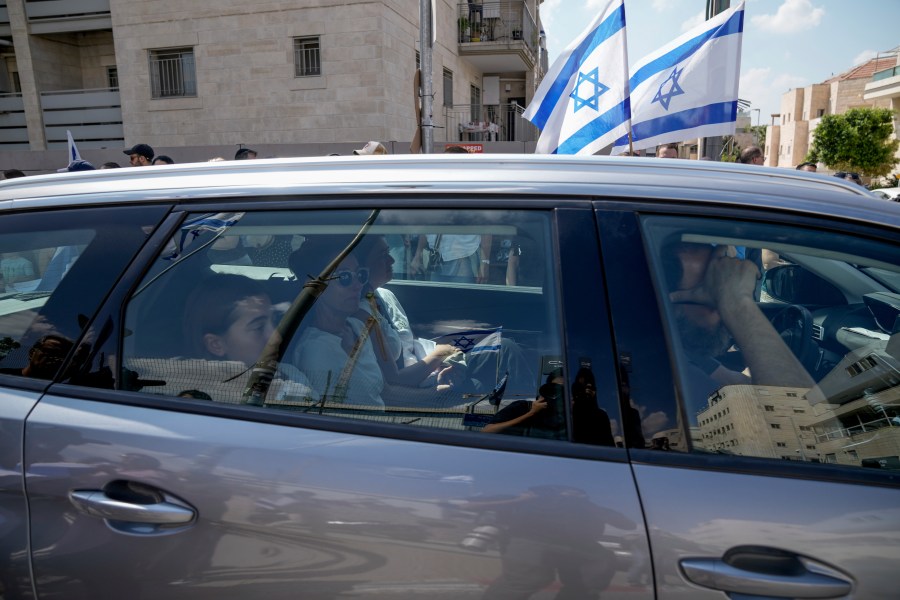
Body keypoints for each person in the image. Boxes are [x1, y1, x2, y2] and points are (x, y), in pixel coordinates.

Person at [663, 241, 814, 413]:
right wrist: (738, 304)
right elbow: (805, 423)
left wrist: (767, 358)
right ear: (670, 300)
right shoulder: (676, 376)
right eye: (713, 291)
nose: (720, 307)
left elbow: (734, 379)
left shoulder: (681, 349)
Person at [288, 237, 386, 408]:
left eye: (360, 275)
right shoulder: (315, 351)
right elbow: (332, 417)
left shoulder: (356, 326)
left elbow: (379, 395)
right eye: (345, 277)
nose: (358, 285)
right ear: (314, 287)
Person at [183, 273, 279, 367]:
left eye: (275, 321)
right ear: (216, 345)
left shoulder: (287, 371)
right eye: (259, 327)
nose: (277, 337)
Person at [483, 379, 565, 439]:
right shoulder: (522, 406)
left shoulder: (565, 414)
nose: (556, 393)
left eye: (561, 391)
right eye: (553, 389)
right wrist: (531, 413)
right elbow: (487, 431)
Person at [0, 334, 73, 380]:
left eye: (61, 356)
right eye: (49, 352)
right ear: (32, 353)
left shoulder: (59, 387)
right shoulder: (3, 376)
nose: (55, 358)